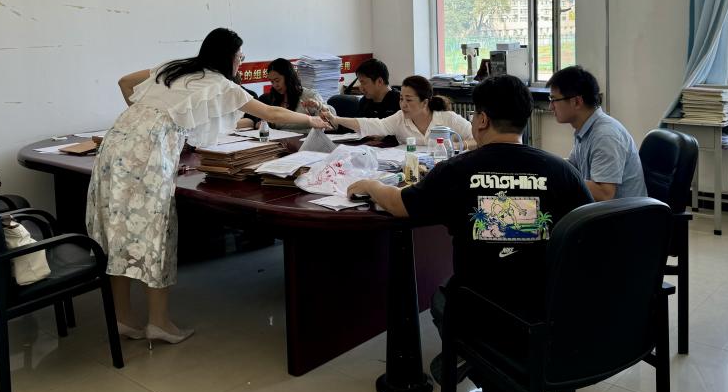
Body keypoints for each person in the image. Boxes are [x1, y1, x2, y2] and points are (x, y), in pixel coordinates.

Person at [347, 75, 592, 392]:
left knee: (442, 301)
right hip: (549, 306)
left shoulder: (458, 170)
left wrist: (370, 185)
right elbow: (586, 236)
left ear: (482, 119)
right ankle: (491, 366)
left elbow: (400, 205)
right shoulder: (562, 171)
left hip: (482, 307)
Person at [86, 28, 329, 346]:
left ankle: (122, 318)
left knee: (118, 231)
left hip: (115, 142)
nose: (241, 62)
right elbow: (268, 112)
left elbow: (125, 82)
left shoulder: (174, 67)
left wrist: (144, 119)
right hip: (149, 152)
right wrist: (312, 121)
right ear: (229, 57)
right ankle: (158, 322)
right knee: (155, 233)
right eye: (240, 56)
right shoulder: (220, 84)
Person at [546, 65, 647, 201]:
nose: (550, 107)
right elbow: (572, 167)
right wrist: (546, 166)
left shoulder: (605, 135)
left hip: (621, 213)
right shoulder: (585, 129)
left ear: (577, 102)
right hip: (601, 209)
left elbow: (604, 194)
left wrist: (557, 178)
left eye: (554, 100)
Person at [326, 75, 474, 147]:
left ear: (425, 102)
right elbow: (372, 124)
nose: (403, 105)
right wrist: (336, 119)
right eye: (401, 99)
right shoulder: (399, 118)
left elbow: (479, 138)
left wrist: (457, 145)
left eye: (409, 100)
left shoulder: (448, 118)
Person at [236, 58, 333, 132]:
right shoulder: (271, 98)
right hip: (280, 144)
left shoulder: (309, 96)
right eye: (272, 81)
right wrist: (265, 124)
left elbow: (331, 124)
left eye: (277, 80)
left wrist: (320, 108)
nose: (275, 85)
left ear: (288, 77)